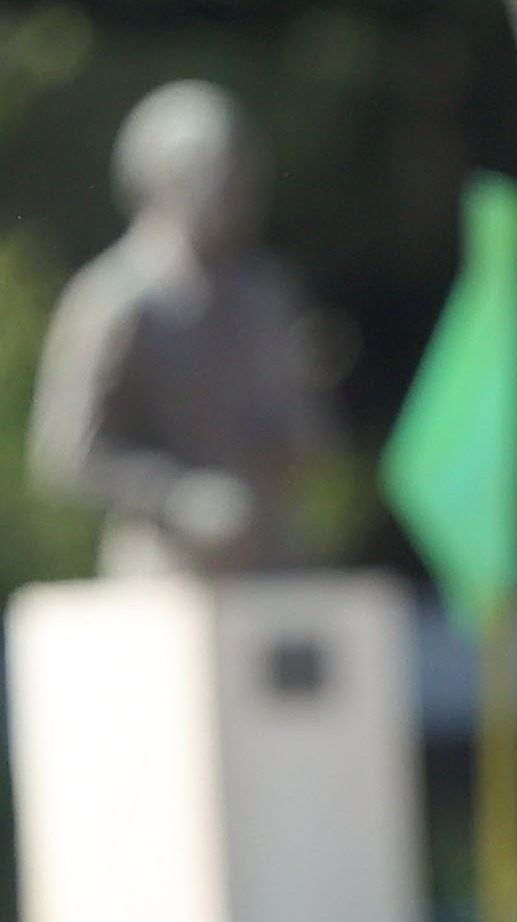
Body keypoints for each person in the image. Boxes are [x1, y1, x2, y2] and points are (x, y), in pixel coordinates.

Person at [28, 81, 338, 574]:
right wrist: (175, 496)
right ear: (167, 179)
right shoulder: (115, 299)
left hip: (275, 557)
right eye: (223, 175)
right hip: (166, 565)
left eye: (245, 175)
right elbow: (67, 451)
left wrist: (301, 421)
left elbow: (302, 440)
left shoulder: (267, 294)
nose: (240, 192)